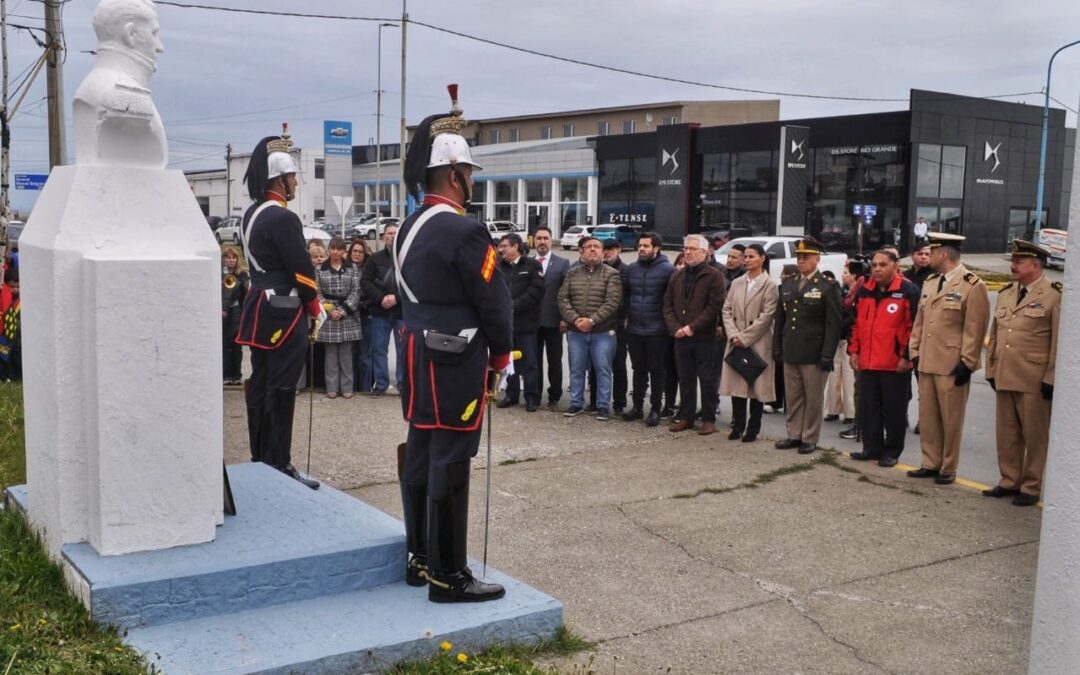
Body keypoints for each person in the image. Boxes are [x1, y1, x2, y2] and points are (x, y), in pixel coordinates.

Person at [395, 86, 512, 603]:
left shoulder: (407, 226)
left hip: (416, 352)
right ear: (453, 174)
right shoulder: (465, 231)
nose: (472, 182)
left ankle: (420, 557)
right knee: (452, 458)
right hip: (454, 357)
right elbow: (494, 302)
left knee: (422, 451)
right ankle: (449, 575)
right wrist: (501, 355)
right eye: (468, 172)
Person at [234, 128, 322, 490]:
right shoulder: (283, 218)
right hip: (285, 310)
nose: (295, 184)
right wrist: (314, 306)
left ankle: (261, 456)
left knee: (261, 382)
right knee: (282, 387)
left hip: (259, 305)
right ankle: (278, 461)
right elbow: (301, 269)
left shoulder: (250, 214)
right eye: (292, 177)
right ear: (279, 179)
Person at [907, 232, 990, 485]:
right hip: (927, 360)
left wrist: (967, 362)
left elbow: (975, 329)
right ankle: (930, 462)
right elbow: (920, 321)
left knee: (950, 419)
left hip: (952, 364)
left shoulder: (972, 285)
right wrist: (914, 351)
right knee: (928, 417)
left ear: (943, 254)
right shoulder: (932, 281)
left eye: (931, 252)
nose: (927, 256)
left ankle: (948, 466)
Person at [983, 240, 1061, 507]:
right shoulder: (1007, 292)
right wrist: (991, 368)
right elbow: (995, 334)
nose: (1013, 266)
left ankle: (1031, 485)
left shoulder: (1053, 295)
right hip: (1005, 373)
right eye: (1013, 261)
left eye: (1019, 262)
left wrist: (1051, 377)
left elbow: (1058, 342)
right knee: (1007, 433)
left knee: (1035, 435)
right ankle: (1009, 480)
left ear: (1036, 265)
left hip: (1033, 378)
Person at [847, 250, 920, 467]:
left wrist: (906, 357)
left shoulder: (908, 291)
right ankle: (871, 448)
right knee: (869, 410)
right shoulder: (864, 291)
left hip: (894, 365)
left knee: (894, 411)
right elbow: (856, 324)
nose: (877, 269)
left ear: (895, 266)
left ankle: (891, 452)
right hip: (868, 363)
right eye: (874, 265)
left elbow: (915, 328)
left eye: (883, 265)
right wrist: (854, 351)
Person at [772, 237, 842, 454]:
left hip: (814, 353)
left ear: (817, 259)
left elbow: (833, 324)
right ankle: (794, 434)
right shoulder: (788, 283)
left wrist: (827, 354)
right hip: (791, 349)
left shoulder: (827, 286)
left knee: (813, 399)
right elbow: (781, 320)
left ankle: (809, 437)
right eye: (799, 257)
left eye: (806, 257)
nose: (801, 261)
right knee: (793, 397)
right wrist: (777, 347)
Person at [663, 234, 726, 435]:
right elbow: (667, 304)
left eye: (692, 249)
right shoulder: (677, 276)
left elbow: (714, 306)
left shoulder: (714, 275)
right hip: (680, 337)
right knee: (685, 378)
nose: (688, 252)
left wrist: (692, 327)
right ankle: (687, 416)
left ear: (704, 252)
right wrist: (675, 327)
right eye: (686, 249)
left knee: (708, 380)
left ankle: (708, 419)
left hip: (704, 337)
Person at [558, 236, 623, 420]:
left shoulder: (612, 274)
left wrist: (592, 321)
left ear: (602, 251)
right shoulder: (572, 273)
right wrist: (576, 319)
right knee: (576, 369)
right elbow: (563, 299)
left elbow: (612, 302)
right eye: (589, 247)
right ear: (582, 251)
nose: (593, 249)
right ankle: (576, 403)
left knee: (603, 370)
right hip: (576, 332)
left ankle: (603, 406)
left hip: (603, 333)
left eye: (596, 247)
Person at [719, 244, 776, 442]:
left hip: (758, 341)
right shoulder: (738, 283)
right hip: (736, 339)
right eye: (746, 257)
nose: (748, 260)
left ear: (762, 258)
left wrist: (745, 337)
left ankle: (753, 428)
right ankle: (738, 425)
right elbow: (726, 309)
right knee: (737, 386)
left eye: (752, 257)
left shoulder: (769, 285)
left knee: (756, 387)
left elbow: (767, 316)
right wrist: (733, 334)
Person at [622, 232, 675, 427]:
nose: (641, 249)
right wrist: (626, 316)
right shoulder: (632, 269)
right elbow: (626, 295)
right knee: (638, 369)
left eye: (646, 246)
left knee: (657, 371)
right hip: (635, 329)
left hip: (658, 330)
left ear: (656, 248)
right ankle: (637, 407)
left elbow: (672, 300)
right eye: (640, 246)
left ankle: (655, 410)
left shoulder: (668, 270)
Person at [496, 232, 544, 411]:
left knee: (530, 362)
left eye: (504, 246)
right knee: (509, 362)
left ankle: (532, 397)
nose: (501, 250)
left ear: (515, 246)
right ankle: (511, 394)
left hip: (526, 324)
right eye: (500, 246)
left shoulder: (532, 265)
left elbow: (536, 292)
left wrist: (512, 306)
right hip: (506, 325)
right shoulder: (498, 267)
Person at [316, 236, 362, 399]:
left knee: (346, 354)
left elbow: (356, 291)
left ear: (344, 251)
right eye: (332, 248)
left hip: (347, 314)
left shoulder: (352, 268)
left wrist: (342, 311)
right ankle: (332, 388)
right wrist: (330, 311)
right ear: (328, 250)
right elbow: (317, 293)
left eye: (339, 249)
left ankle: (347, 387)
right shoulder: (320, 269)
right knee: (330, 355)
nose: (335, 252)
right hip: (328, 315)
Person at [362, 224, 404, 397]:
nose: (392, 236)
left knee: (403, 350)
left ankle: (403, 384)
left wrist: (396, 298)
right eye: (389, 233)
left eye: (395, 233)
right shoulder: (374, 259)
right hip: (380, 312)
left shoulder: (406, 258)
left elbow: (412, 283)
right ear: (383, 236)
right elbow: (365, 281)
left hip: (402, 312)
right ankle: (381, 384)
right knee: (379, 349)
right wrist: (381, 298)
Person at [532, 226, 570, 411]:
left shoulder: (562, 263)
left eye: (545, 238)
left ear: (551, 240)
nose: (542, 241)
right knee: (534, 361)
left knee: (554, 361)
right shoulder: (528, 262)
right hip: (532, 322)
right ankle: (535, 395)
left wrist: (564, 318)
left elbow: (566, 293)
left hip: (554, 321)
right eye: (539, 238)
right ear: (533, 241)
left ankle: (554, 396)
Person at [590, 239, 628, 414]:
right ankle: (595, 401)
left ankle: (619, 403)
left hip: (618, 325)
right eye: (604, 249)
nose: (607, 252)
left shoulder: (625, 271)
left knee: (618, 365)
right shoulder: (597, 269)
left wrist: (626, 317)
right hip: (599, 324)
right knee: (596, 364)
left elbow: (628, 297)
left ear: (618, 250)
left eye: (611, 249)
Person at [221, 245, 249, 386]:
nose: (231, 260)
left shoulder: (242, 274)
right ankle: (226, 375)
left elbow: (245, 292)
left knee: (236, 344)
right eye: (228, 258)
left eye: (233, 258)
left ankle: (237, 375)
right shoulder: (220, 273)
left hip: (237, 310)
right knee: (225, 344)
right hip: (223, 311)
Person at [348, 240, 374, 393]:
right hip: (350, 316)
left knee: (365, 355)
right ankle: (351, 387)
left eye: (360, 252)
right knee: (351, 354)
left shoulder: (369, 270)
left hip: (366, 315)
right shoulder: (345, 269)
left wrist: (364, 305)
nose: (357, 254)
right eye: (354, 251)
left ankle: (364, 388)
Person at [0, 267, 21, 381]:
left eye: (18, 286)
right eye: (12, 287)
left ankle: (17, 378)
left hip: (17, 339)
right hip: (4, 336)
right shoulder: (3, 299)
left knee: (16, 356)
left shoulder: (22, 301)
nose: (16, 290)